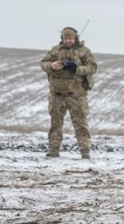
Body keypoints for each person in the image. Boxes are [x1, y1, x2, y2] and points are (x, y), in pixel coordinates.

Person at [40, 27, 97, 159]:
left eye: (71, 38)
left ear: (75, 38)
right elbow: (43, 63)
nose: (68, 41)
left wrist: (77, 69)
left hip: (77, 95)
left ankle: (85, 151)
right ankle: (53, 150)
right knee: (55, 124)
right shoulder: (55, 50)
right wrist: (52, 66)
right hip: (57, 95)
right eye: (66, 38)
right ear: (62, 38)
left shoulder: (84, 51)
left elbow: (93, 67)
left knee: (81, 124)